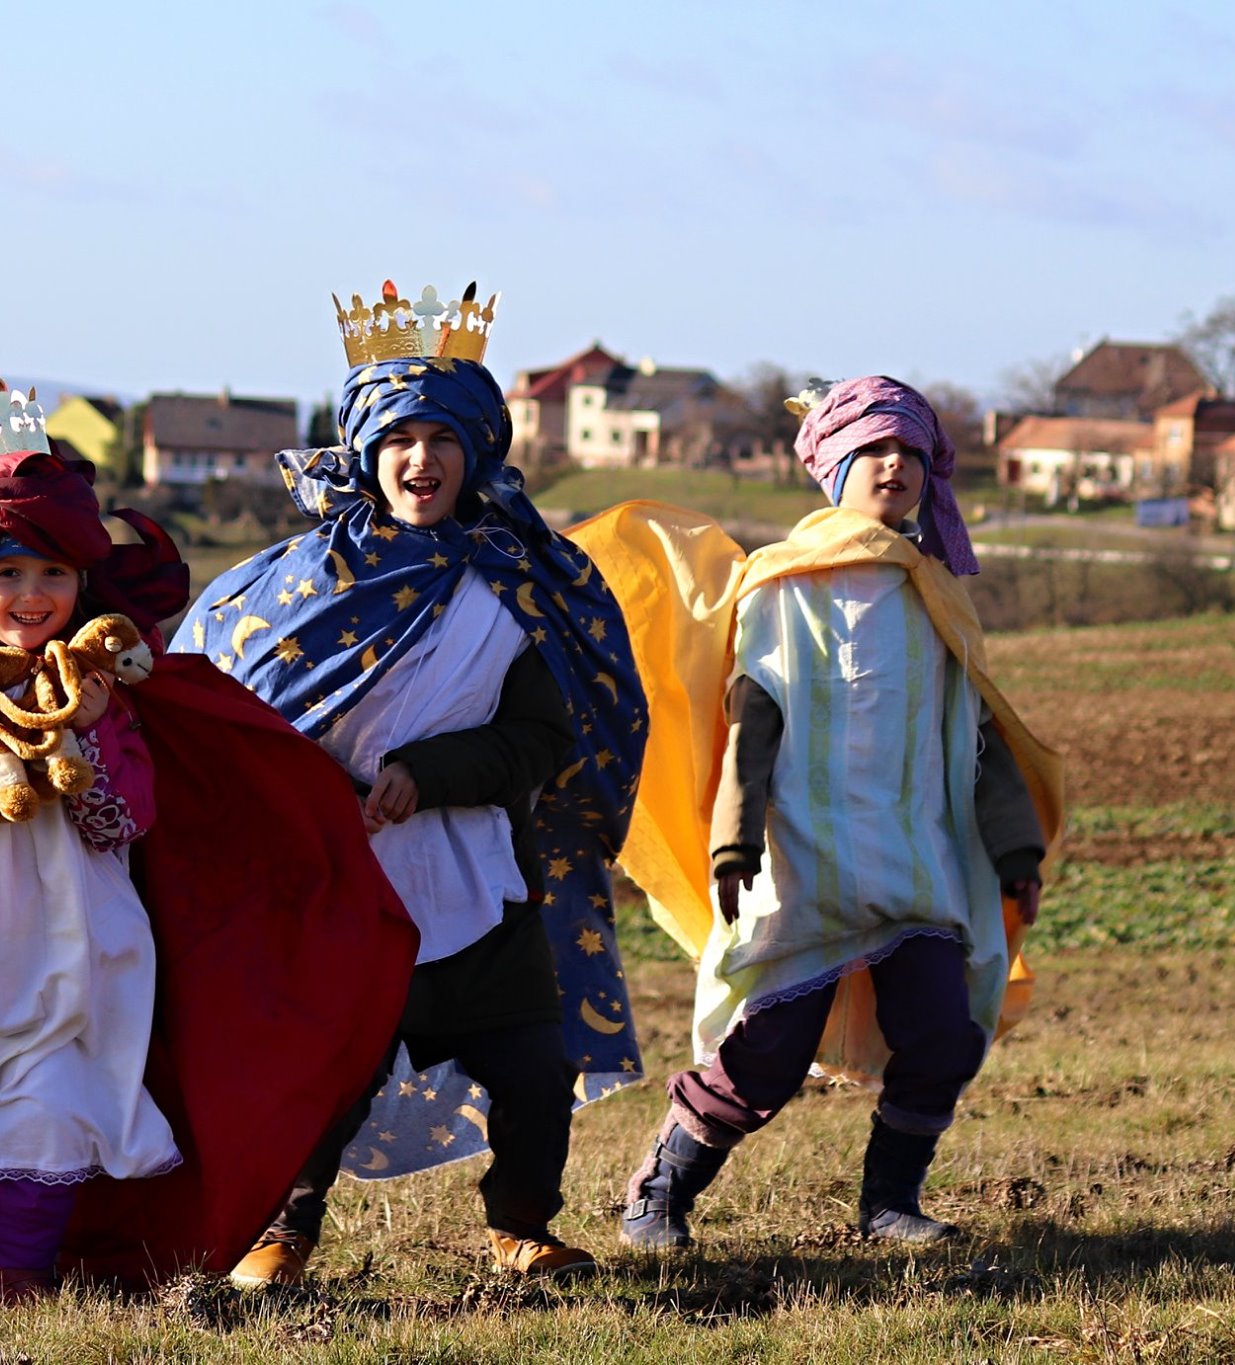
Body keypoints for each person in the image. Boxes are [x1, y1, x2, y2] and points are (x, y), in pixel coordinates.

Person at [0, 385, 414, 1310]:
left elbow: (124, 820)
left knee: (47, 1116)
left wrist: (92, 736)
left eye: (53, 573)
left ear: (82, 584)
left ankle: (20, 1273)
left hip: (59, 948)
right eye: (8, 574)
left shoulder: (103, 694)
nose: (31, 595)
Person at [175, 282, 646, 1284]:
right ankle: (280, 1231)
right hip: (330, 880)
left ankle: (521, 1225)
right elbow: (222, 721)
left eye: (441, 438)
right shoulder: (291, 584)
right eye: (397, 437)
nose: (419, 459)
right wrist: (317, 794)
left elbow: (540, 738)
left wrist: (428, 775)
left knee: (532, 1065)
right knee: (323, 1070)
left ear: (477, 450)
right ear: (363, 450)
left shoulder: (522, 583)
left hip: (475, 875)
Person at [575, 376, 1064, 1252]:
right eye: (874, 447)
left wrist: (1016, 849)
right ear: (834, 464)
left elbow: (977, 732)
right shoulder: (783, 584)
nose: (894, 464)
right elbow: (752, 720)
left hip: (918, 866)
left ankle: (890, 1203)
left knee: (943, 1036)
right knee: (763, 1056)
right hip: (803, 865)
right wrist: (734, 845)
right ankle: (659, 1193)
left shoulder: (936, 592)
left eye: (910, 450)